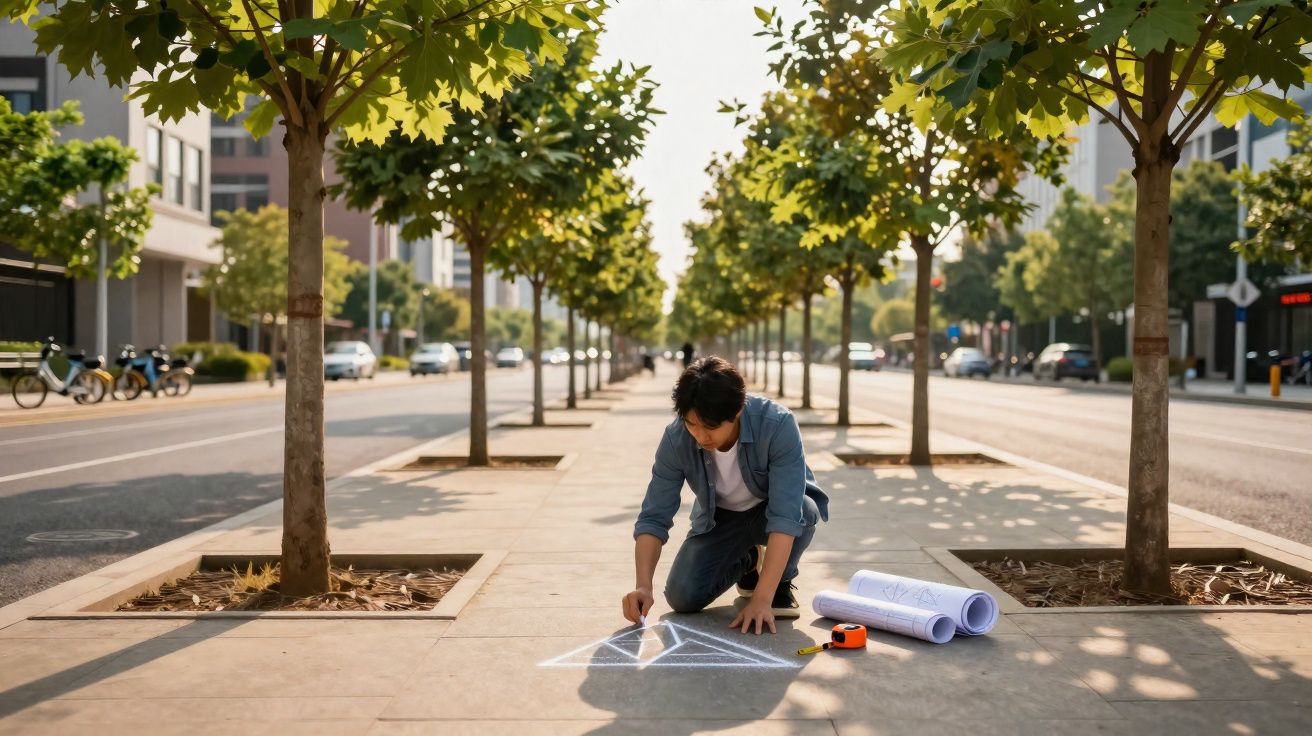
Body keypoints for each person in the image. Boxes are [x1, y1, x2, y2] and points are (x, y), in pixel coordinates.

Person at [621, 356, 828, 634]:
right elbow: (654, 516)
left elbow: (785, 516)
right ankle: (748, 561)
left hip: (771, 512)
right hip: (720, 520)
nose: (700, 436)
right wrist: (642, 586)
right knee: (683, 597)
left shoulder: (777, 424)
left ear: (738, 411)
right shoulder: (676, 438)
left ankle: (779, 582)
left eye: (711, 427)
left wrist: (760, 600)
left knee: (803, 509)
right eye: (692, 424)